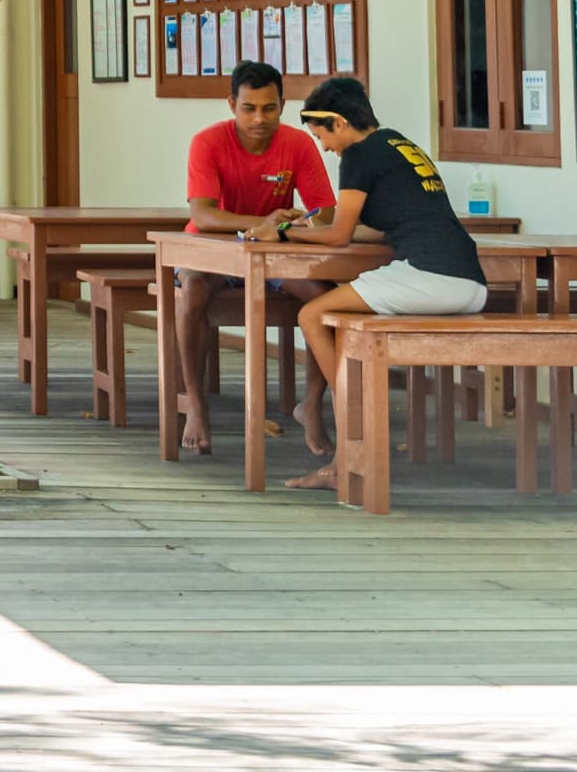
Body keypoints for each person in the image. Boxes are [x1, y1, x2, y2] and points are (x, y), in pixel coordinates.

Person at [281, 75, 491, 490]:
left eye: (322, 136)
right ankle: (342, 448)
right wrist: (307, 229)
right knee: (339, 322)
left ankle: (343, 418)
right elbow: (377, 229)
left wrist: (283, 234)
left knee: (312, 315)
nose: (325, 147)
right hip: (469, 281)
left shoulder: (357, 155)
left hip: (431, 276)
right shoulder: (397, 143)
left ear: (340, 123)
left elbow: (339, 236)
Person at [174, 61, 335, 454]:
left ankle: (312, 403)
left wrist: (296, 223)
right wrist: (263, 223)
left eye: (269, 108)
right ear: (232, 104)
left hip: (272, 255)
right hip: (211, 252)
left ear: (283, 105)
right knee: (192, 290)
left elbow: (326, 212)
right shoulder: (207, 142)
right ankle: (195, 400)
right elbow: (203, 216)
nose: (259, 118)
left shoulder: (298, 144)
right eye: (249, 108)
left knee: (325, 296)